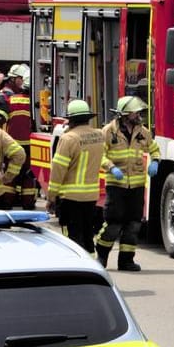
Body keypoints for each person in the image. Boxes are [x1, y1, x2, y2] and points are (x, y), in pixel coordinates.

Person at [96, 96, 160, 271]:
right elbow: (100, 155)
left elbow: (154, 149)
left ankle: (126, 260)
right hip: (116, 185)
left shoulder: (143, 132)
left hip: (137, 186)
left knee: (133, 224)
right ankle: (101, 255)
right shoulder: (108, 131)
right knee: (113, 223)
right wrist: (110, 167)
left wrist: (155, 161)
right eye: (135, 112)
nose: (139, 114)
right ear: (124, 114)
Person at [47, 99, 107, 252]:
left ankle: (75, 266)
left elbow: (58, 170)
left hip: (70, 197)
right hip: (91, 197)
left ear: (71, 119)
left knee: (72, 238)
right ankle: (92, 265)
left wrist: (51, 197)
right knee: (87, 234)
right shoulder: (99, 135)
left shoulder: (68, 139)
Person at [0, 65, 37, 207]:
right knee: (28, 176)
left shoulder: (10, 100)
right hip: (30, 146)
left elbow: (1, 120)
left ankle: (7, 202)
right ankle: (28, 203)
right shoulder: (36, 105)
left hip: (12, 145)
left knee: (11, 174)